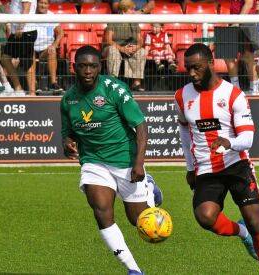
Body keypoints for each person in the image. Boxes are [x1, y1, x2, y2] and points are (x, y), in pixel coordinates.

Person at [175, 43, 259, 275]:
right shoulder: (182, 96)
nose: (192, 74)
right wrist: (190, 167)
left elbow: (247, 138)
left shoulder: (233, 94)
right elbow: (183, 130)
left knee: (255, 221)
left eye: (197, 68)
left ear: (211, 64)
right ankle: (243, 233)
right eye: (188, 68)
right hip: (206, 168)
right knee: (205, 217)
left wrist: (228, 142)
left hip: (236, 163)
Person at [61, 45, 162, 275]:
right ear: (74, 67)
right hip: (93, 162)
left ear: (100, 67)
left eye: (93, 66)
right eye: (83, 66)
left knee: (139, 222)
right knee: (101, 210)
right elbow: (67, 132)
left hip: (125, 160)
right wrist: (67, 142)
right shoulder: (68, 100)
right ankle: (133, 269)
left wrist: (138, 163)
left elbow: (140, 125)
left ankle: (151, 187)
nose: (88, 71)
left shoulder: (114, 89)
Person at [103, 0, 146, 92]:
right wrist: (121, 49)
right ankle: (112, 81)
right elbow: (109, 40)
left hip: (129, 48)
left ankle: (136, 83)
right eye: (131, 10)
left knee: (141, 51)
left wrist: (136, 47)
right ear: (124, 10)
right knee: (113, 50)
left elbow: (140, 40)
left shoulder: (134, 22)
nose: (134, 12)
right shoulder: (113, 20)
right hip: (114, 47)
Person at [0, 0, 37, 96]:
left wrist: (20, 27)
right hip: (16, 32)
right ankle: (18, 89)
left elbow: (26, 8)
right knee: (5, 58)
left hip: (24, 31)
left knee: (27, 63)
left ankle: (32, 94)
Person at [225, 0, 259, 95]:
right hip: (232, 22)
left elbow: (249, 3)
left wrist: (238, 22)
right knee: (227, 55)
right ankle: (235, 88)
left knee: (249, 57)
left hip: (246, 23)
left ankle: (254, 87)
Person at [32, 0, 64, 94]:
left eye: (45, 3)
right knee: (29, 52)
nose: (43, 5)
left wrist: (54, 45)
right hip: (31, 48)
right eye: (41, 3)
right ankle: (34, 83)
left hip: (45, 50)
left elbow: (61, 32)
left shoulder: (51, 16)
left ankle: (54, 83)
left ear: (48, 5)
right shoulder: (30, 14)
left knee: (52, 51)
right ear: (36, 4)